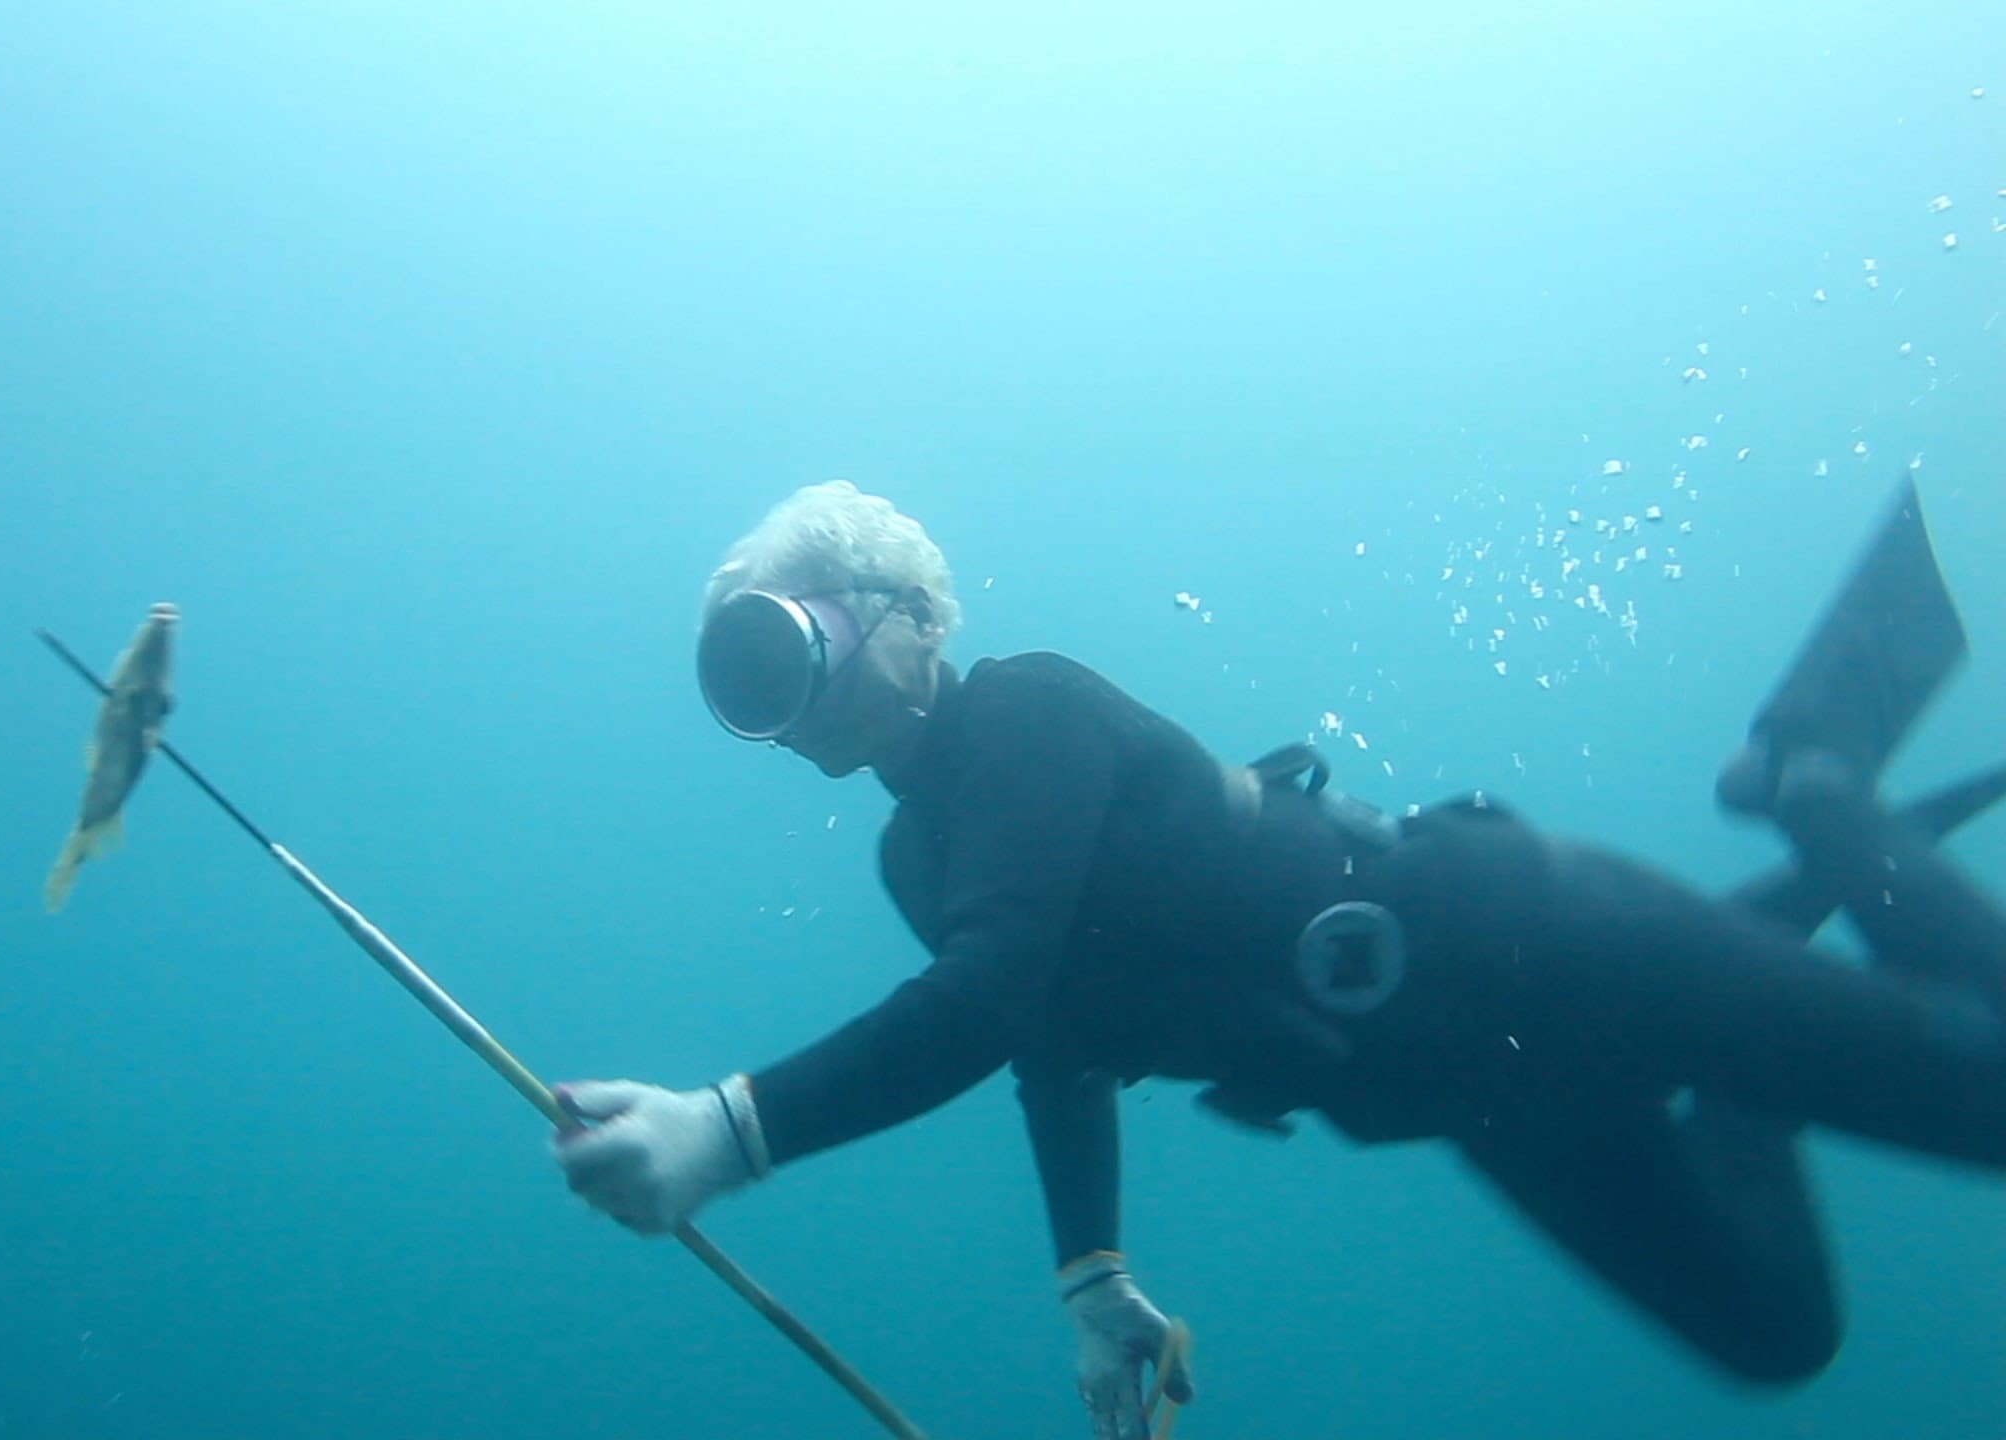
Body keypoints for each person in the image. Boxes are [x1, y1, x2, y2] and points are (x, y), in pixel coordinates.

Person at [549, 478, 2006, 1438]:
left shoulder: (1026, 712)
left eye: (792, 639)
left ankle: (1818, 778)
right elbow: (1052, 1041)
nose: (782, 697)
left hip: (1530, 941)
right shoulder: (916, 856)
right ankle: (1753, 1017)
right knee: (1778, 1329)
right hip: (1472, 1089)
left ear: (910, 618)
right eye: (750, 679)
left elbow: (982, 1002)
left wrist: (728, 1132)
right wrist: (1091, 1281)